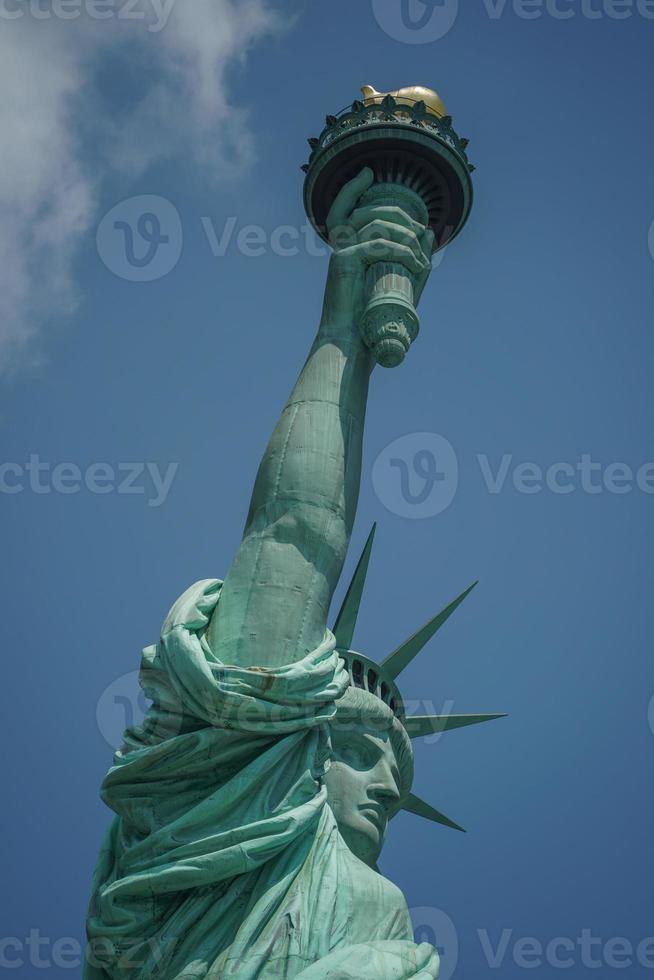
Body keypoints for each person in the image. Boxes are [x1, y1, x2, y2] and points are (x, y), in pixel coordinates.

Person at [85, 168, 444, 979]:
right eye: (359, 746)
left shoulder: (382, 912)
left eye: (395, 765)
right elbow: (293, 535)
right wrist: (344, 327)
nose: (387, 786)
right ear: (289, 749)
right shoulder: (220, 810)